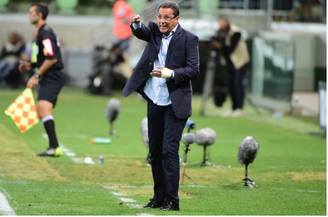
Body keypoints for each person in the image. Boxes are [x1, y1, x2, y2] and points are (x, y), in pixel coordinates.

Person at [123, 1, 199, 211]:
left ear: (176, 19)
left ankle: (172, 201)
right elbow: (141, 32)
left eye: (167, 17)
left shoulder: (189, 39)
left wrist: (170, 73)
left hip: (176, 103)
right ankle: (158, 197)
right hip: (154, 99)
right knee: (154, 152)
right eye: (160, 17)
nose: (162, 21)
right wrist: (137, 24)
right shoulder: (155, 31)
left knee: (169, 151)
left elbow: (193, 70)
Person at [19, 3, 65, 157]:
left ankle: (54, 147)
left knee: (44, 110)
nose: (28, 15)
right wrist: (30, 65)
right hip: (50, 75)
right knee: (41, 110)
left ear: (39, 15)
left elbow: (52, 58)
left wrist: (36, 75)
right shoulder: (43, 32)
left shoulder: (44, 33)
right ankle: (54, 147)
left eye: (31, 12)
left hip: (53, 76)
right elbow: (48, 57)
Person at [211, 17, 250, 117]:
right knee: (231, 85)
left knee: (238, 84)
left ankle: (239, 108)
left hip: (239, 62)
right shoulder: (221, 32)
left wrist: (219, 45)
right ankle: (234, 108)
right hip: (229, 63)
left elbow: (230, 48)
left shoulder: (235, 32)